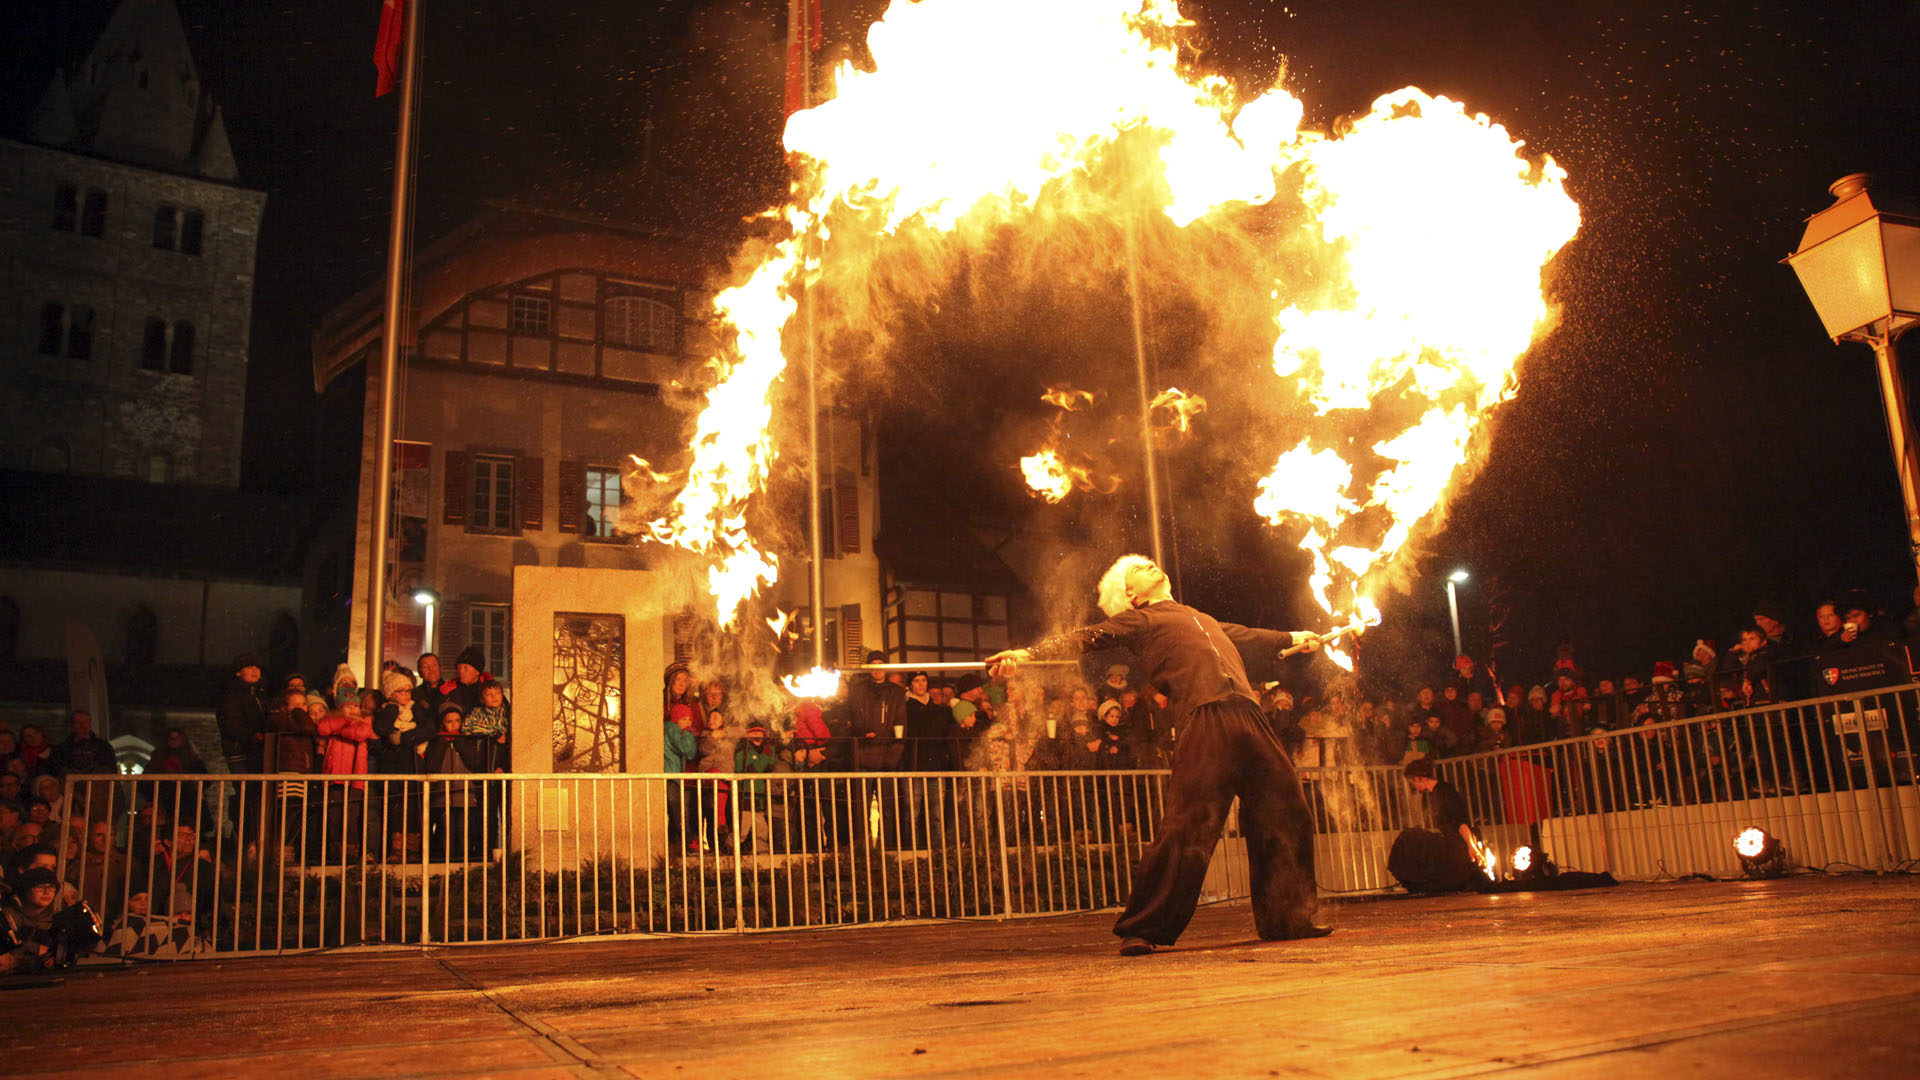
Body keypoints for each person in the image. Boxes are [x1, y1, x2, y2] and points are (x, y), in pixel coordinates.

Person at [988, 554, 1328, 955]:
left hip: (1249, 716)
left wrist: (1293, 638)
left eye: (1149, 564)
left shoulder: (1201, 617)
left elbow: (1251, 636)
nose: (1148, 566)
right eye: (1137, 570)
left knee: (1287, 810)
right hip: (1205, 720)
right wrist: (1026, 654)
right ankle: (1144, 927)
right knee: (1188, 826)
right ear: (1131, 595)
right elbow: (1088, 636)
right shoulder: (1141, 620)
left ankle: (1288, 918)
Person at [1388, 756, 1485, 894]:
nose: (1413, 786)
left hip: (1458, 843)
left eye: (1412, 782)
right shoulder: (1429, 795)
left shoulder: (1446, 792)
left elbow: (1460, 822)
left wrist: (1471, 846)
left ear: (1419, 778)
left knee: (1409, 839)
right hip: (1448, 841)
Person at [848, 650, 906, 772]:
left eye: (880, 664)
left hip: (889, 751)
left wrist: (897, 746)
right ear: (869, 668)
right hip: (864, 749)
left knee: (888, 789)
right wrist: (864, 731)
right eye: (873, 665)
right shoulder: (858, 690)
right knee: (863, 789)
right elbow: (855, 715)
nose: (877, 668)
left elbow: (901, 719)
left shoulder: (896, 692)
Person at [218, 653, 269, 773]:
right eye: (249, 667)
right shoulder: (231, 695)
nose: (254, 670)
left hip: (258, 751)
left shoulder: (261, 694)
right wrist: (253, 737)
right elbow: (231, 724)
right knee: (246, 788)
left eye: (257, 667)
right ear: (238, 672)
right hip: (240, 751)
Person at [902, 672, 952, 771]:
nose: (921, 684)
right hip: (913, 763)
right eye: (916, 681)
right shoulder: (905, 709)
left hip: (937, 763)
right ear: (910, 685)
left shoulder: (940, 710)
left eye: (924, 680)